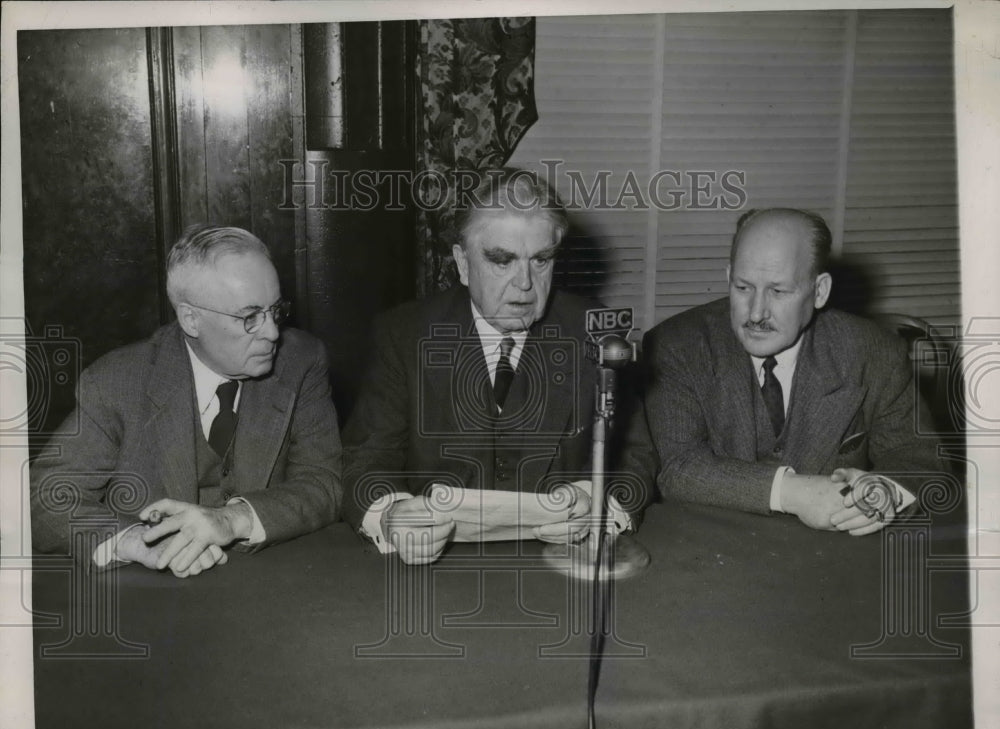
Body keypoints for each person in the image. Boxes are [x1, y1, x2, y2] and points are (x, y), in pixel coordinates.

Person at [342, 168, 646, 564]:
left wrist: (599, 505)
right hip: (438, 573)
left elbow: (638, 455)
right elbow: (365, 462)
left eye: (540, 260)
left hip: (563, 565)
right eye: (502, 261)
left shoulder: (595, 333)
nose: (525, 283)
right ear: (463, 264)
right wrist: (392, 515)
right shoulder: (404, 335)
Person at [30, 225, 343, 577]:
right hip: (158, 604)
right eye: (250, 317)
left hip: (273, 587)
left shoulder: (301, 360)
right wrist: (134, 539)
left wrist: (231, 519)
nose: (272, 333)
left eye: (276, 311)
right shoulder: (117, 382)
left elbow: (324, 482)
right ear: (191, 319)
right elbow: (44, 499)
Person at [642, 207, 943, 535]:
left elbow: (919, 458)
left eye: (778, 291)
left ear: (819, 291)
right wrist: (793, 493)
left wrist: (884, 490)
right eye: (743, 288)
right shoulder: (677, 345)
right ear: (728, 277)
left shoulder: (873, 351)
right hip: (709, 550)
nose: (756, 313)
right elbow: (678, 467)